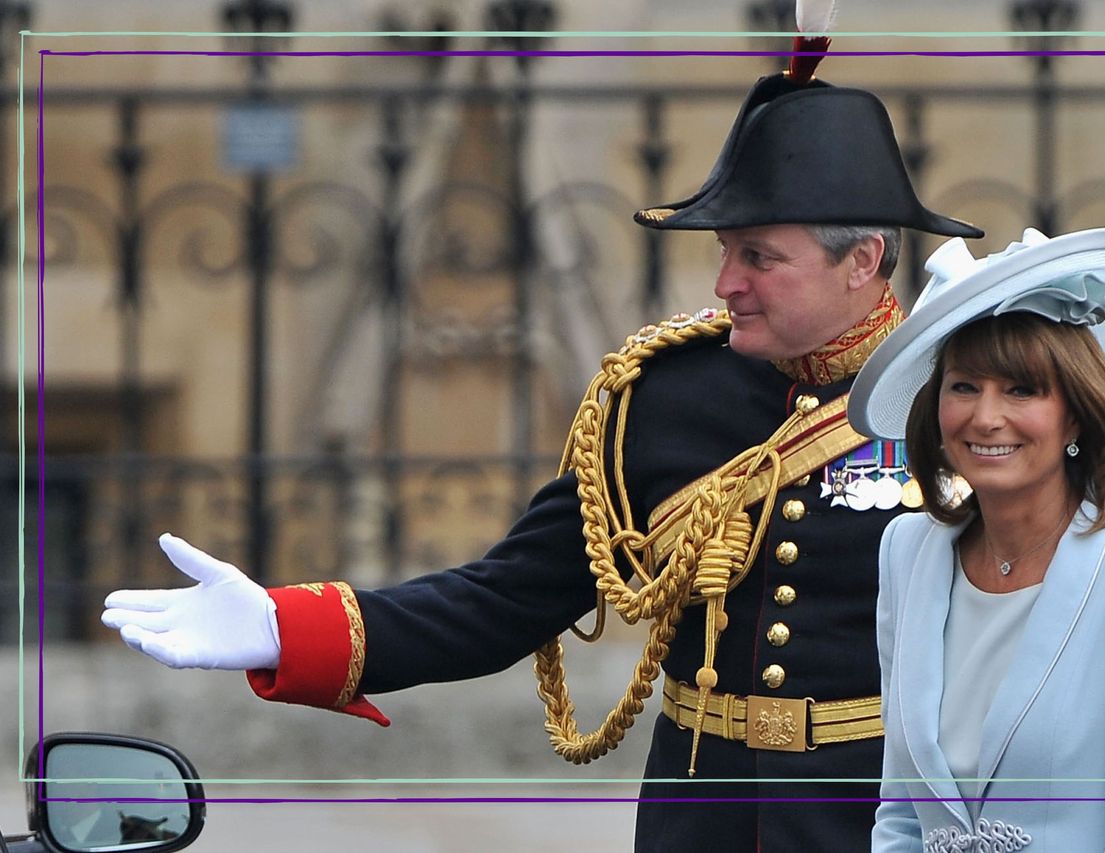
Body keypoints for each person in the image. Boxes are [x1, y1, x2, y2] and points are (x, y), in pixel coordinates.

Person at [100, 55, 985, 853]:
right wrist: (288, 628)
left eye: (759, 256)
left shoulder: (965, 399)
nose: (725, 283)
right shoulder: (664, 396)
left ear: (863, 260)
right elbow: (511, 595)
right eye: (725, 253)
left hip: (879, 820)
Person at [846, 227, 1105, 852]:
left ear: (1076, 411)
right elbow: (902, 816)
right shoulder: (906, 550)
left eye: (1021, 389)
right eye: (964, 386)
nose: (986, 416)